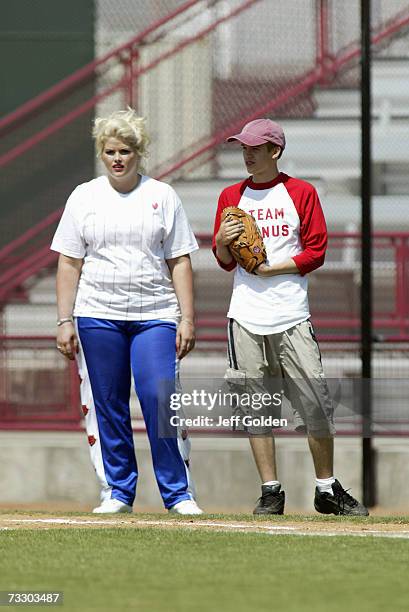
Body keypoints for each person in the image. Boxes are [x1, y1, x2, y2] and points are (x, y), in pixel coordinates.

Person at [212, 118, 368, 516]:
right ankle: (271, 491)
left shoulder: (300, 192)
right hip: (245, 316)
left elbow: (316, 251)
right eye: (243, 147)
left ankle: (326, 488)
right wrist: (222, 243)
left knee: (316, 405)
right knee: (255, 405)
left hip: (292, 314)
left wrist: (271, 269)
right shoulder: (231, 196)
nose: (247, 154)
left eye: (255, 148)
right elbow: (225, 261)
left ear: (274, 152)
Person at [51, 108, 203, 515]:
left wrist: (186, 317)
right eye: (110, 151)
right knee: (108, 403)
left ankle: (178, 493)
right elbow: (69, 262)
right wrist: (65, 320)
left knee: (159, 396)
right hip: (96, 313)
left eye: (125, 151)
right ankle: (117, 491)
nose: (118, 158)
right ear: (102, 153)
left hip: (155, 313)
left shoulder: (162, 196)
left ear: (140, 152)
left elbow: (180, 260)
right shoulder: (84, 197)